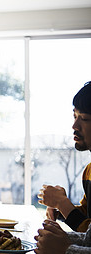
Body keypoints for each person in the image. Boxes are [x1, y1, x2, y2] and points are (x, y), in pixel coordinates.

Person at [38, 81, 91, 232]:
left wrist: (63, 204)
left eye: (84, 118)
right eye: (75, 116)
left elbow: (89, 236)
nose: (74, 126)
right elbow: (87, 220)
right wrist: (60, 210)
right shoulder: (89, 170)